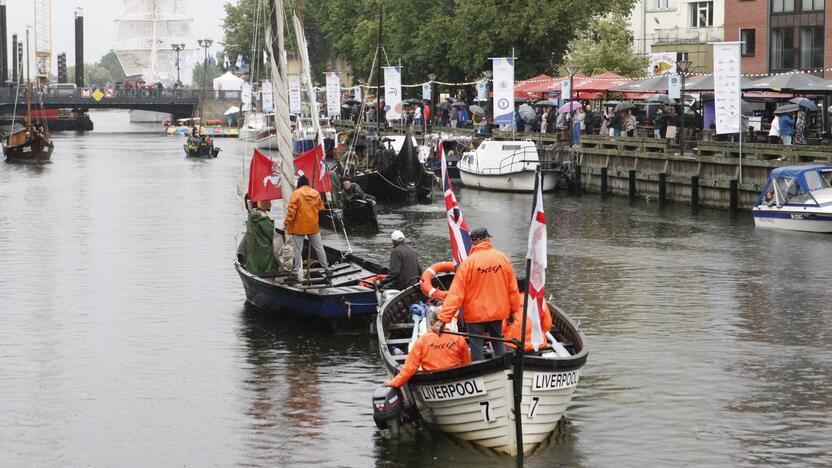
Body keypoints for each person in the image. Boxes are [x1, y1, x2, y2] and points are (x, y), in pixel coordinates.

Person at [433, 228, 521, 361]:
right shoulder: (503, 258)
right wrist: (512, 311)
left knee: (476, 344)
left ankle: (479, 372)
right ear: (486, 239)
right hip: (498, 311)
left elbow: (455, 294)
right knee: (498, 340)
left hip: (475, 314)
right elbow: (512, 289)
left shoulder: (468, 263)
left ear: (473, 242)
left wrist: (443, 319)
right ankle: (505, 367)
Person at [384, 308, 471, 388]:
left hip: (432, 380)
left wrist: (394, 383)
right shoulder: (459, 339)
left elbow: (410, 368)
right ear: (445, 322)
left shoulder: (422, 341)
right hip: (457, 379)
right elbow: (467, 364)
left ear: (430, 322)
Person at [285, 175, 329, 280]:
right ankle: (326, 269)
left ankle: (295, 273)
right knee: (319, 248)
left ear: (299, 184)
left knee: (297, 250)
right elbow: (321, 207)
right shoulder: (316, 193)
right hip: (313, 226)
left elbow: (291, 211)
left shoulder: (296, 193)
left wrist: (287, 223)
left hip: (299, 227)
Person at [244, 199, 280, 276]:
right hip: (265, 255)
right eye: (269, 202)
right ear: (264, 203)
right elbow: (272, 235)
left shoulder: (252, 215)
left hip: (253, 257)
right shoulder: (263, 218)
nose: (271, 205)